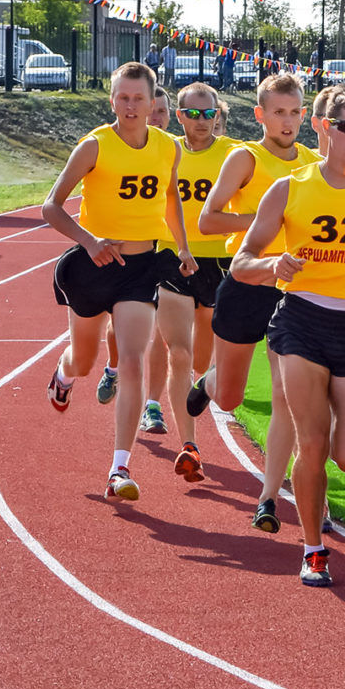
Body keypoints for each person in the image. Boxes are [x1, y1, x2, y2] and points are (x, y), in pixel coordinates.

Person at [231, 86, 345, 586]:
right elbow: (242, 263)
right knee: (311, 442)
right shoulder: (291, 188)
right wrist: (274, 263)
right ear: (325, 128)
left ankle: (312, 476)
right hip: (301, 321)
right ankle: (313, 549)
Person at [42, 61, 195, 502]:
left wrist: (181, 247)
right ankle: (64, 375)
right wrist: (89, 242)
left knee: (131, 360)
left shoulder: (168, 147)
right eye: (123, 98)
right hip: (94, 266)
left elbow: (170, 200)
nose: (130, 106)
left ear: (153, 103)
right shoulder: (94, 146)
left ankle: (119, 468)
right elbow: (51, 207)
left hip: (142, 266)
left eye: (139, 99)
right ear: (112, 100)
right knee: (86, 359)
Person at [189, 74, 321, 531]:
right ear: (260, 115)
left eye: (295, 111)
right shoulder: (245, 158)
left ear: (305, 115)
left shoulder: (313, 163)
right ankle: (208, 382)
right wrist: (266, 217)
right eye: (278, 112)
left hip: (295, 287)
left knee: (288, 398)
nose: (288, 121)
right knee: (229, 395)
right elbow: (208, 221)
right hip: (247, 281)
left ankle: (269, 497)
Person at [150, 82, 235, 481]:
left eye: (209, 113)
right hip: (173, 257)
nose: (202, 121)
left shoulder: (234, 156)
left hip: (220, 262)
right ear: (179, 115)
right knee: (179, 354)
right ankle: (189, 445)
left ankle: (197, 393)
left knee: (202, 362)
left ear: (218, 113)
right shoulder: (165, 151)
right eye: (193, 113)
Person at [97, 86, 174, 410]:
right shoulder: (119, 148)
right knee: (120, 324)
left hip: (164, 251)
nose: (155, 119)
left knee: (161, 332)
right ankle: (113, 368)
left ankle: (151, 404)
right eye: (151, 112)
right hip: (130, 251)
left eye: (161, 113)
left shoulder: (172, 150)